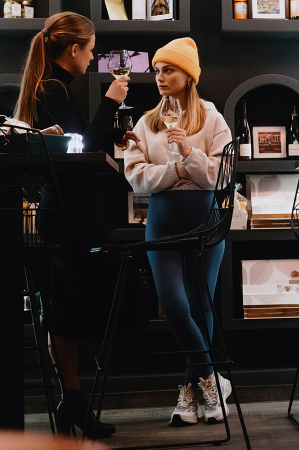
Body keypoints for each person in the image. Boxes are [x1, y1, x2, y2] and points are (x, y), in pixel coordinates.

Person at [13, 11, 139, 438]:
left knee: (65, 310)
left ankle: (73, 402)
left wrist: (112, 134)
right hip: (70, 215)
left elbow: (78, 144)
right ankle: (74, 402)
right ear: (72, 49)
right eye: (90, 49)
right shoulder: (54, 90)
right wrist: (111, 102)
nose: (92, 57)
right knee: (79, 307)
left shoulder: (51, 88)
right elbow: (77, 150)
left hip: (64, 213)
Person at [123, 37, 233, 427]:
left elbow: (223, 176)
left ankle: (189, 394)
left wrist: (188, 152)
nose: (159, 77)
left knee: (201, 307)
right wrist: (179, 170)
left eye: (168, 69)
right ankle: (213, 380)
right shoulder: (146, 122)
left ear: (189, 75)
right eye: (156, 70)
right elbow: (136, 177)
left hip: (207, 225)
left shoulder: (212, 119)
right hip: (163, 224)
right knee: (173, 306)